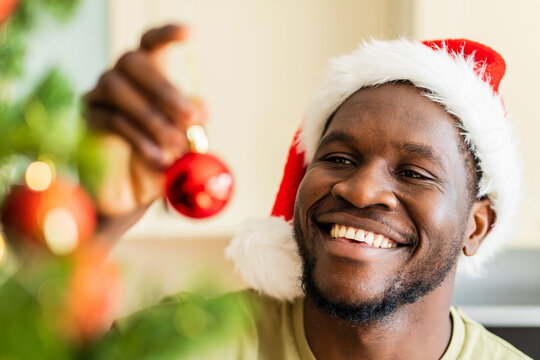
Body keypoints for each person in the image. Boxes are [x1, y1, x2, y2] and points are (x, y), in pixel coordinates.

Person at [87, 25, 530, 359]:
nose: (360, 191)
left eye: (414, 172)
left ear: (476, 227)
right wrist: (89, 229)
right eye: (338, 159)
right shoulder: (196, 338)